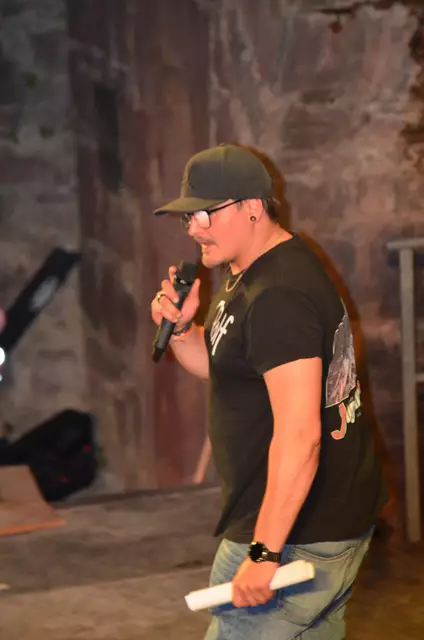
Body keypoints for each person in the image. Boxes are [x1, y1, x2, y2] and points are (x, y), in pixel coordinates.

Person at [151, 144, 387, 639]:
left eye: (205, 214)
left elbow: (301, 436)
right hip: (314, 522)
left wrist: (264, 552)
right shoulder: (250, 270)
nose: (193, 228)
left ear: (253, 207)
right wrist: (182, 329)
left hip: (297, 533)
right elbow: (224, 365)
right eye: (188, 217)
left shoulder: (279, 295)